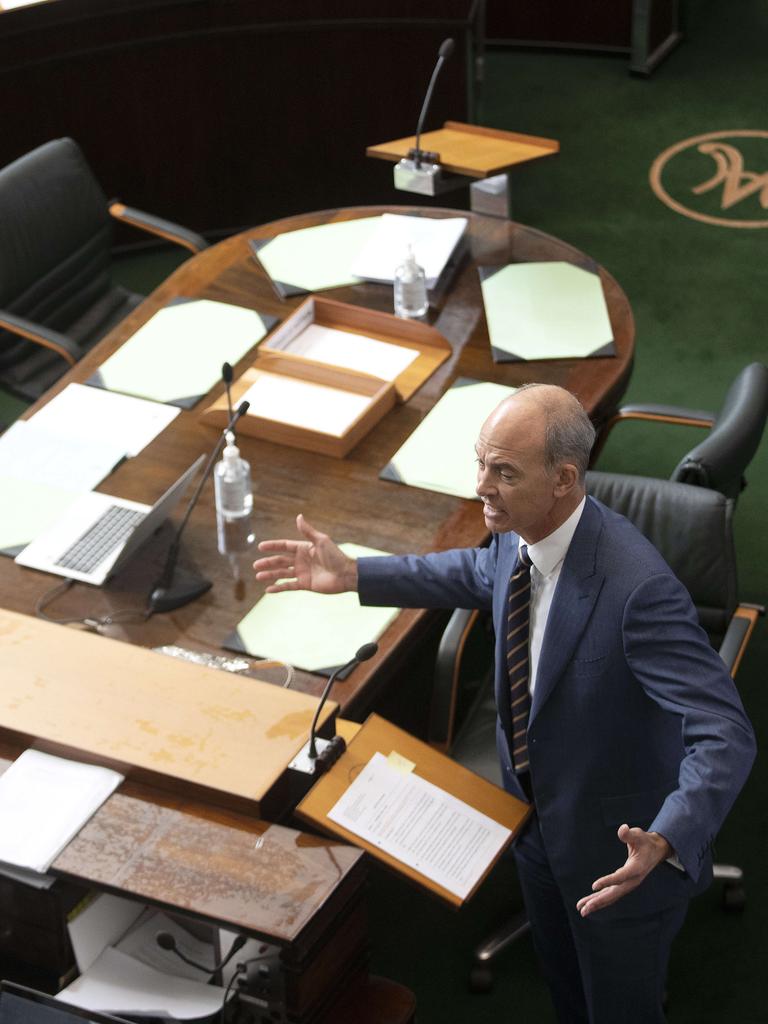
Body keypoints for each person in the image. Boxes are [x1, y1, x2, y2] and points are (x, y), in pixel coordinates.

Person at [253, 383, 755, 1023]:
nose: (481, 487)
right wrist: (355, 574)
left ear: (564, 479)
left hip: (620, 857)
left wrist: (667, 836)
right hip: (531, 821)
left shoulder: (638, 592)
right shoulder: (518, 535)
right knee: (568, 990)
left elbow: (725, 732)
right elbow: (470, 572)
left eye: (504, 472)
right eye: (480, 463)